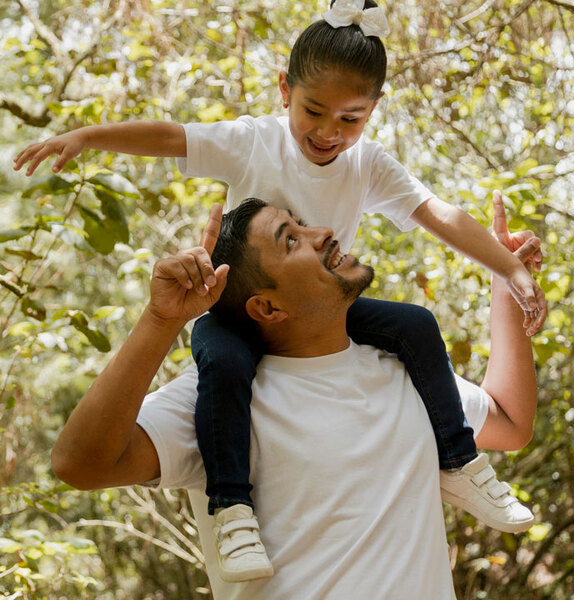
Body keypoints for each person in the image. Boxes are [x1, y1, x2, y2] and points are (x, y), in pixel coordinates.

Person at [14, 0, 545, 581]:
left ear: (372, 112)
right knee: (220, 360)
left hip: (316, 314)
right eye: (314, 111)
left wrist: (508, 272)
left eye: (350, 118)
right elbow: (172, 136)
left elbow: (437, 213)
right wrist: (89, 136)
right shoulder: (252, 141)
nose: (328, 132)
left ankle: (459, 461)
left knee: (416, 324)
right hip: (234, 311)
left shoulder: (367, 168)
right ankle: (232, 504)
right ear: (284, 92)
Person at [51, 193, 540, 599]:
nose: (322, 232)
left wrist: (505, 282)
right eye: (292, 240)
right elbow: (81, 463)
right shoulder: (220, 401)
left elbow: (510, 423)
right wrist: (161, 320)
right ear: (266, 306)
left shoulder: (406, 370)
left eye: (302, 225)